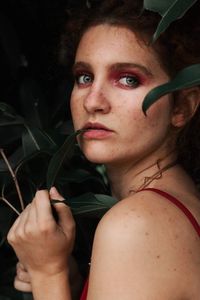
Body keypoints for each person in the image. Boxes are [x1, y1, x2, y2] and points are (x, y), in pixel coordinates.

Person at [7, 0, 200, 299]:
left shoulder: (135, 225)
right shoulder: (177, 203)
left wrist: (49, 273)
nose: (92, 101)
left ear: (182, 107)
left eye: (127, 79)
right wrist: (72, 284)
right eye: (84, 77)